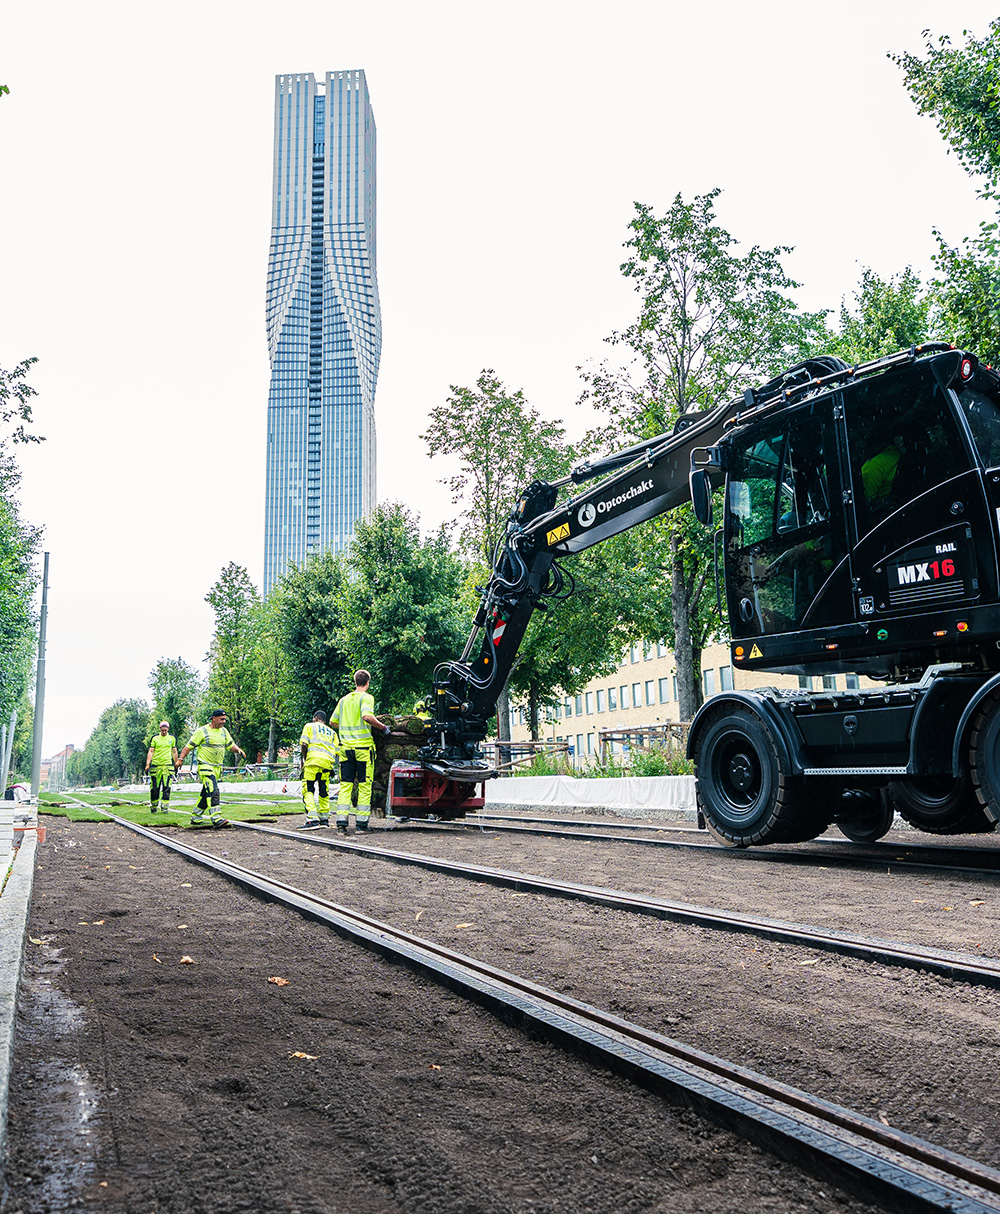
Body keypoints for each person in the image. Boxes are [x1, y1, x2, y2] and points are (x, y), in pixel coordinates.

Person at [331, 670, 391, 835]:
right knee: (364, 785)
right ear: (368, 682)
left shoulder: (343, 701)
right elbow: (367, 717)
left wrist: (346, 729)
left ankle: (341, 824)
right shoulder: (367, 697)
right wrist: (383, 727)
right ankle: (361, 825)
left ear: (355, 681)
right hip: (363, 749)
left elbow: (332, 721)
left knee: (346, 785)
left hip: (345, 749)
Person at [176, 710, 245, 828]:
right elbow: (188, 747)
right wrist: (180, 759)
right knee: (213, 790)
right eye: (221, 719)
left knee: (206, 793)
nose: (224, 722)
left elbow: (230, 745)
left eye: (225, 719)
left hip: (217, 768)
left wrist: (238, 750)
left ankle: (196, 816)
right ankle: (216, 817)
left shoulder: (224, 732)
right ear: (214, 718)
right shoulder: (202, 731)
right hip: (205, 766)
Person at [298, 709, 338, 830]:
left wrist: (305, 759)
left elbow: (304, 745)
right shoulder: (332, 733)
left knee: (308, 789)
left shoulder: (310, 726)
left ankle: (312, 819)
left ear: (315, 718)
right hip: (327, 764)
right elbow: (336, 752)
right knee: (323, 790)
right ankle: (324, 819)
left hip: (312, 762)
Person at [144, 720, 178, 813]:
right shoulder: (155, 738)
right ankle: (154, 806)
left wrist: (177, 763)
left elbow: (174, 751)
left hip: (167, 766)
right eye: (162, 730)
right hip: (156, 766)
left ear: (168, 729)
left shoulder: (172, 739)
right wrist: (148, 763)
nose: (164, 732)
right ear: (160, 729)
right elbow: (151, 751)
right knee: (155, 788)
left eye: (165, 730)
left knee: (167, 787)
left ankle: (165, 808)